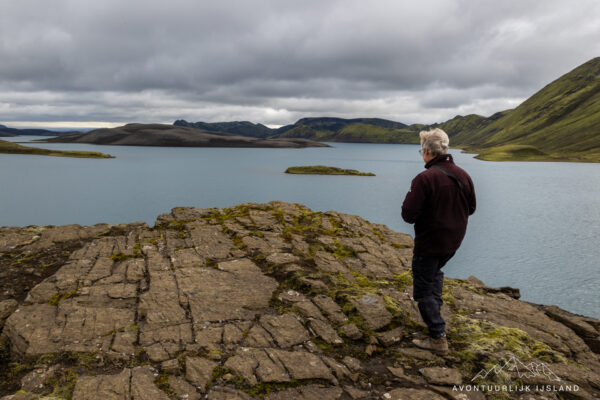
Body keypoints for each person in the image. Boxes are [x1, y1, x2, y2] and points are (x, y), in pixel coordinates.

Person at [401, 128, 476, 355]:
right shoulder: (463, 174)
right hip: (452, 241)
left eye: (421, 150)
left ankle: (437, 336)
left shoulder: (425, 178)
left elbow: (408, 215)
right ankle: (436, 310)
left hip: (430, 241)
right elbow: (471, 208)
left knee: (423, 289)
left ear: (426, 151)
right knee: (435, 274)